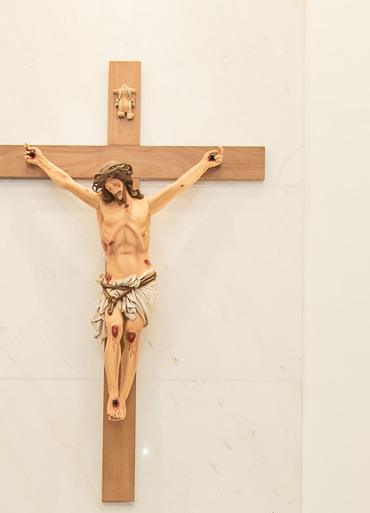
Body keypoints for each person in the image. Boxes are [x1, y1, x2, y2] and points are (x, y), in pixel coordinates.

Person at [23, 146, 223, 421]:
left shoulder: (146, 206)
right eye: (107, 184)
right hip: (114, 285)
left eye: (114, 180)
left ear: (124, 179)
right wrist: (41, 161)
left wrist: (204, 164)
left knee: (132, 334)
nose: (112, 187)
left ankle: (122, 398)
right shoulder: (101, 205)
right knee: (114, 328)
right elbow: (67, 183)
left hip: (142, 283)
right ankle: (113, 394)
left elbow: (179, 186)